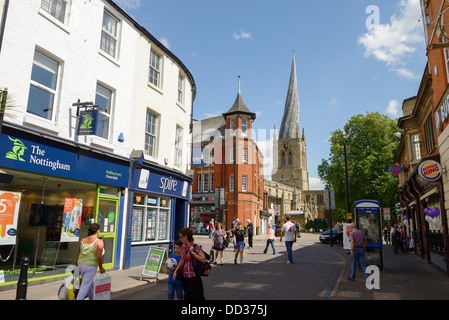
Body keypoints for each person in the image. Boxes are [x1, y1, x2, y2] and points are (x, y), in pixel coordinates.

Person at [172, 227, 205, 300]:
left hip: (193, 277)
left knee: (195, 297)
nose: (180, 239)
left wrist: (193, 253)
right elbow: (182, 260)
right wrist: (175, 271)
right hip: (185, 276)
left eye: (181, 237)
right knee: (187, 296)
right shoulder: (183, 247)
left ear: (186, 236)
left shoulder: (195, 247)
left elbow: (203, 259)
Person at [75, 223, 105, 300]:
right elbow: (99, 257)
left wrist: (76, 266)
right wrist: (101, 267)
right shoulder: (99, 242)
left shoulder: (82, 241)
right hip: (90, 267)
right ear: (97, 231)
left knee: (91, 284)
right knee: (84, 287)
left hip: (81, 264)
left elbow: (78, 255)